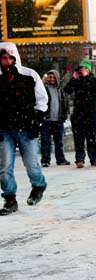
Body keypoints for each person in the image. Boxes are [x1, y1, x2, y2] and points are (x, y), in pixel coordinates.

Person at [0, 43, 48, 215]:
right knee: (5, 165)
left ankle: (38, 184)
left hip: (26, 127)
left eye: (10, 58)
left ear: (15, 58)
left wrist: (36, 121)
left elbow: (42, 100)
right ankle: (10, 198)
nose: (7, 62)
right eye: (3, 58)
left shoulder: (29, 75)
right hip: (4, 129)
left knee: (31, 163)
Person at [64, 60, 96, 168]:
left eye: (84, 68)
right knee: (78, 138)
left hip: (91, 113)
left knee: (91, 138)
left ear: (88, 70)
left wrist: (86, 77)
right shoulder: (77, 80)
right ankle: (79, 159)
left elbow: (93, 88)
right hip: (78, 114)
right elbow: (67, 90)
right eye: (81, 69)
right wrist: (73, 78)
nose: (82, 70)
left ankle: (94, 158)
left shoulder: (93, 80)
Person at [40, 69, 70, 167]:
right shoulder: (43, 89)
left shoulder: (60, 90)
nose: (52, 79)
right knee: (45, 141)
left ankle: (60, 159)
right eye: (50, 77)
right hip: (46, 120)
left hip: (58, 120)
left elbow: (65, 103)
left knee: (59, 141)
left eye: (53, 77)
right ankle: (45, 160)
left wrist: (64, 115)